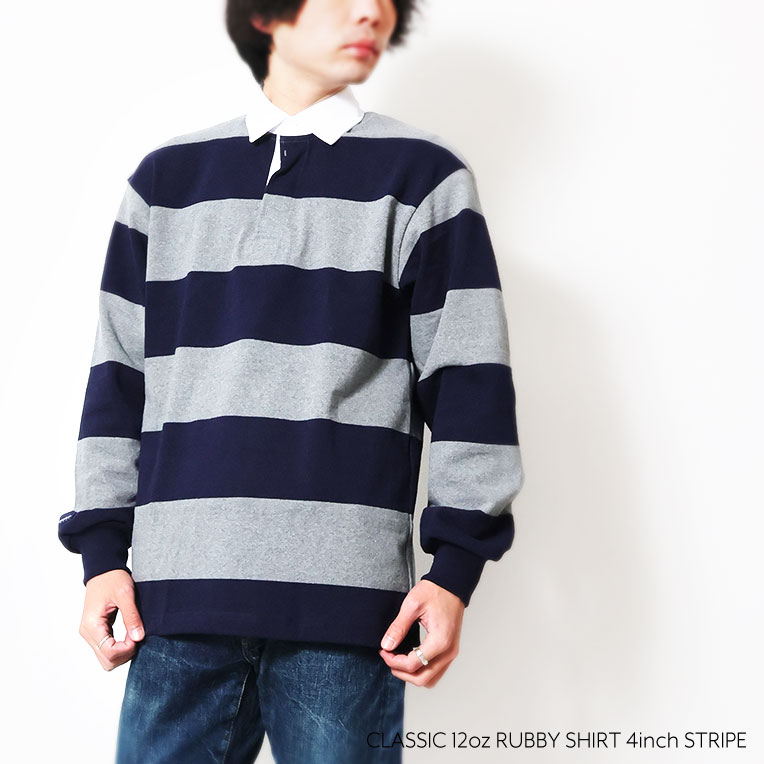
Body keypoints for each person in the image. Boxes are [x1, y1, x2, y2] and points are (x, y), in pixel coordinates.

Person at [57, 0, 525, 761]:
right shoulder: (165, 181)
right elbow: (118, 381)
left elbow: (471, 384)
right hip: (174, 601)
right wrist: (102, 556)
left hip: (346, 609)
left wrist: (454, 573)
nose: (370, 13)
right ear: (267, 15)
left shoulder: (424, 178)